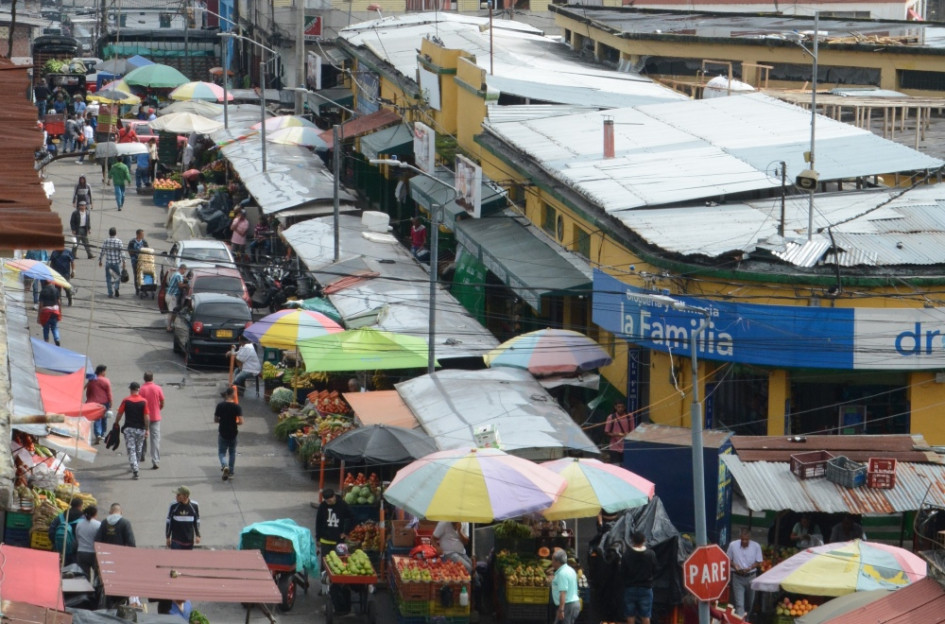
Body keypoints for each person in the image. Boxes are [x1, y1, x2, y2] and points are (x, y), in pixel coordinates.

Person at [112, 381, 150, 480]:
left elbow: (120, 413)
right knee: (138, 449)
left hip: (129, 429)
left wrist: (116, 422)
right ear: (138, 389)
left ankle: (135, 468)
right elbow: (146, 417)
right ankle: (135, 466)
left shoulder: (126, 400)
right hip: (140, 429)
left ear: (130, 390)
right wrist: (147, 429)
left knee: (131, 449)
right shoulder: (144, 401)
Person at [621, 530, 657, 624]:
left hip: (630, 588)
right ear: (644, 540)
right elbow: (655, 570)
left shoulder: (626, 555)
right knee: (646, 616)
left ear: (632, 541)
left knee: (630, 615)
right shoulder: (651, 554)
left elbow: (622, 572)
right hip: (646, 588)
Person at [727, 528, 763, 619]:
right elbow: (727, 559)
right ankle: (741, 621)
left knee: (749, 603)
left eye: (746, 540)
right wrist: (734, 565)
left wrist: (750, 568)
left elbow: (759, 562)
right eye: (742, 539)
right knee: (739, 604)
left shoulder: (756, 546)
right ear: (740, 538)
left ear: (749, 538)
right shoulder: (733, 545)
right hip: (737, 577)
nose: (744, 541)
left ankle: (746, 619)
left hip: (751, 577)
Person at [315, 488, 354, 557]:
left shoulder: (342, 505)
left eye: (330, 501)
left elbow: (350, 518)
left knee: (339, 561)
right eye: (327, 501)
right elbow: (319, 522)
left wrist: (345, 532)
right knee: (326, 562)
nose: (329, 503)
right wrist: (318, 538)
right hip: (325, 540)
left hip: (339, 540)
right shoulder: (322, 506)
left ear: (334, 496)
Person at [214, 386, 242, 481]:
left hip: (222, 432)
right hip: (233, 432)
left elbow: (215, 419)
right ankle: (231, 472)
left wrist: (222, 421)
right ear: (232, 394)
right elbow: (241, 421)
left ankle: (224, 465)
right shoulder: (237, 407)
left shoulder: (220, 406)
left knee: (221, 452)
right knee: (232, 452)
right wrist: (235, 422)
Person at [139, 371, 165, 470]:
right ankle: (155, 460)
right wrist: (158, 409)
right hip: (155, 417)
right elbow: (162, 402)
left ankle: (142, 455)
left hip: (143, 417)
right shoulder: (158, 388)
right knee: (155, 440)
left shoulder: (141, 389)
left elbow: (139, 403)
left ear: (144, 378)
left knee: (143, 436)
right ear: (152, 378)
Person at [48, 498, 84, 566]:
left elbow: (51, 532)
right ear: (80, 506)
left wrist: (56, 543)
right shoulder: (83, 519)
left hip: (60, 549)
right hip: (74, 551)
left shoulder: (61, 517)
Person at [551, 549, 581, 624]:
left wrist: (561, 610)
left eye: (553, 560)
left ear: (557, 562)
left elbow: (563, 592)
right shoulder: (570, 570)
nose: (552, 562)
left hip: (567, 605)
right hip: (573, 604)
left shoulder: (562, 574)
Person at [86, 365, 113, 444]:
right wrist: (111, 402)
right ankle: (102, 433)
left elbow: (89, 392)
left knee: (97, 418)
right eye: (105, 371)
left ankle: (98, 433)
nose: (105, 373)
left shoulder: (91, 380)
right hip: (104, 402)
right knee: (104, 418)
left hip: (94, 402)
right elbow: (109, 393)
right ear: (102, 372)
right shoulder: (106, 380)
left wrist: (88, 400)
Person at [75, 504, 101, 581]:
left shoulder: (79, 524)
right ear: (95, 514)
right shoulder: (98, 525)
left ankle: (86, 592)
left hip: (81, 552)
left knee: (84, 577)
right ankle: (96, 591)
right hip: (94, 553)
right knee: (97, 576)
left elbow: (77, 537)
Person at [98, 227, 126, 298]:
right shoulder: (119, 241)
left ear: (109, 233)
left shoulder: (106, 241)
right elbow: (122, 252)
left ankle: (110, 293)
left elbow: (102, 251)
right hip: (116, 263)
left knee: (108, 278)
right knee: (117, 277)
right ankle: (116, 288)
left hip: (108, 264)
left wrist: (100, 260)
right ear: (115, 233)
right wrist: (124, 262)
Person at [37, 281, 62, 345]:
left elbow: (41, 305)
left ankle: (46, 341)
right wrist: (60, 312)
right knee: (54, 328)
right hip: (55, 312)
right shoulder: (56, 290)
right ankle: (57, 339)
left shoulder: (43, 291)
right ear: (52, 283)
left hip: (46, 312)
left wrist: (39, 316)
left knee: (45, 328)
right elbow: (59, 303)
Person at [165, 264, 188, 331]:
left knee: (173, 312)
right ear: (182, 269)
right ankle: (168, 327)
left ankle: (170, 325)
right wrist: (186, 286)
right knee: (171, 312)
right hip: (172, 296)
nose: (185, 271)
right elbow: (180, 285)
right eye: (184, 270)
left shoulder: (175, 274)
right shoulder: (178, 275)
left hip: (169, 295)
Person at [127, 229, 149, 296]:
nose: (143, 235)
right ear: (138, 234)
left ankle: (144, 290)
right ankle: (137, 289)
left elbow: (147, 250)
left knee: (144, 276)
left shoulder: (144, 242)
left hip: (143, 262)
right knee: (136, 276)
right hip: (135, 262)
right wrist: (134, 256)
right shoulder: (132, 242)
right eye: (142, 234)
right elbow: (129, 251)